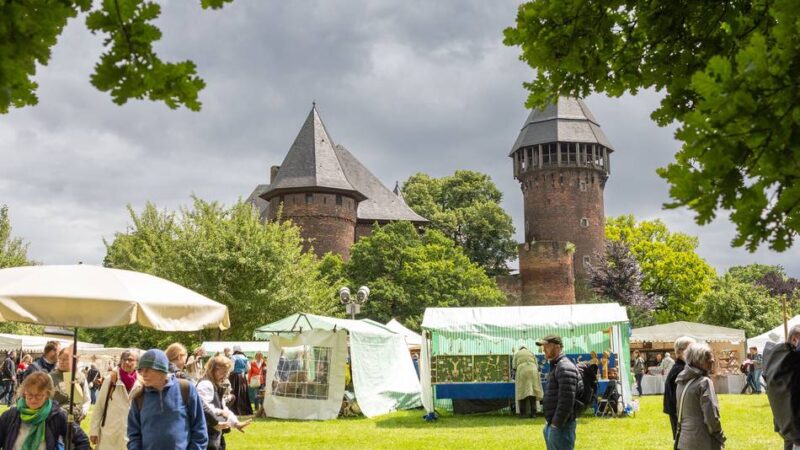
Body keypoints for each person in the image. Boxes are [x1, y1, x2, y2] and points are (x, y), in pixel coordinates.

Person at [127, 349, 207, 450]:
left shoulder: (185, 388)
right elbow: (134, 434)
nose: (143, 374)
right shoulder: (139, 396)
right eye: (141, 370)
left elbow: (200, 428)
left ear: (161, 370)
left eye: (147, 370)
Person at [0, 371, 89, 449]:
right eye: (29, 395)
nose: (33, 399)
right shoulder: (10, 416)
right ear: (24, 393)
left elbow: (82, 440)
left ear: (47, 394)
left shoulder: (57, 415)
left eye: (38, 396)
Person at [675, 343, 725, 450]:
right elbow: (711, 416)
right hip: (703, 442)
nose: (712, 361)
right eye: (708, 358)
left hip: (684, 442)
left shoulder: (681, 381)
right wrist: (719, 435)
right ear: (698, 361)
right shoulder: (704, 382)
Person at [197, 356, 252, 450]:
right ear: (213, 370)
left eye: (227, 373)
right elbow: (202, 406)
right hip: (207, 433)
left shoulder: (215, 385)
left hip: (215, 433)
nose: (226, 376)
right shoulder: (205, 384)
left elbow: (223, 408)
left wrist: (235, 423)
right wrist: (220, 412)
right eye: (223, 372)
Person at [89, 350, 140, 450]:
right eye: (124, 359)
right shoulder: (110, 379)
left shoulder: (141, 383)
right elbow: (99, 406)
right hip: (109, 434)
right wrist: (94, 431)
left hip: (131, 435)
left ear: (136, 363)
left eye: (130, 360)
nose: (126, 362)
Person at [537, 334, 580, 450]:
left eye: (546, 346)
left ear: (557, 347)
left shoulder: (564, 367)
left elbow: (567, 401)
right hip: (554, 425)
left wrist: (556, 424)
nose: (543, 349)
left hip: (562, 426)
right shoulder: (557, 366)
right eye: (543, 346)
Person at [764, 324, 800, 450]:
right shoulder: (791, 361)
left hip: (786, 426)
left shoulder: (777, 360)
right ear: (795, 339)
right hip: (795, 428)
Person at [663, 336, 696, 443]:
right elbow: (681, 397)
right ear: (681, 352)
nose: (694, 353)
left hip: (678, 412)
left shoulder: (680, 368)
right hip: (680, 413)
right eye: (692, 349)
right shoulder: (681, 370)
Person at [48, 346, 90, 424]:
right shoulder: (50, 377)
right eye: (60, 359)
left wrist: (84, 412)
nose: (61, 361)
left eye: (64, 359)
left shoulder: (81, 377)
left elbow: (86, 398)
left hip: (75, 421)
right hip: (56, 421)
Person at [512, 346, 543, 418]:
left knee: (522, 391)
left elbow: (514, 366)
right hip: (533, 370)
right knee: (533, 392)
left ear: (520, 348)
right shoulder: (531, 353)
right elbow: (537, 365)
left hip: (522, 370)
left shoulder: (517, 353)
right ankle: (533, 413)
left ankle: (523, 413)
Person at [228, 346, 253, 416]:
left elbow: (231, 368)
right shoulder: (245, 357)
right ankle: (244, 409)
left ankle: (235, 409)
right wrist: (243, 372)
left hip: (235, 377)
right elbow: (248, 368)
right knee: (243, 392)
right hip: (243, 377)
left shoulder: (233, 357)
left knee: (235, 391)